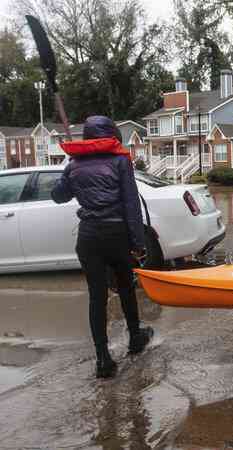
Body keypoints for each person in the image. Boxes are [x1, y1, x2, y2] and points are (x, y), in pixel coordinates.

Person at [52, 116, 153, 378]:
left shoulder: (74, 164)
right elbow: (131, 203)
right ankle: (135, 338)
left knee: (97, 297)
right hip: (116, 233)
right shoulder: (121, 161)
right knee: (126, 287)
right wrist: (138, 243)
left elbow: (58, 196)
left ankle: (103, 359)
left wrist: (69, 170)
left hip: (88, 237)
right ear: (111, 136)